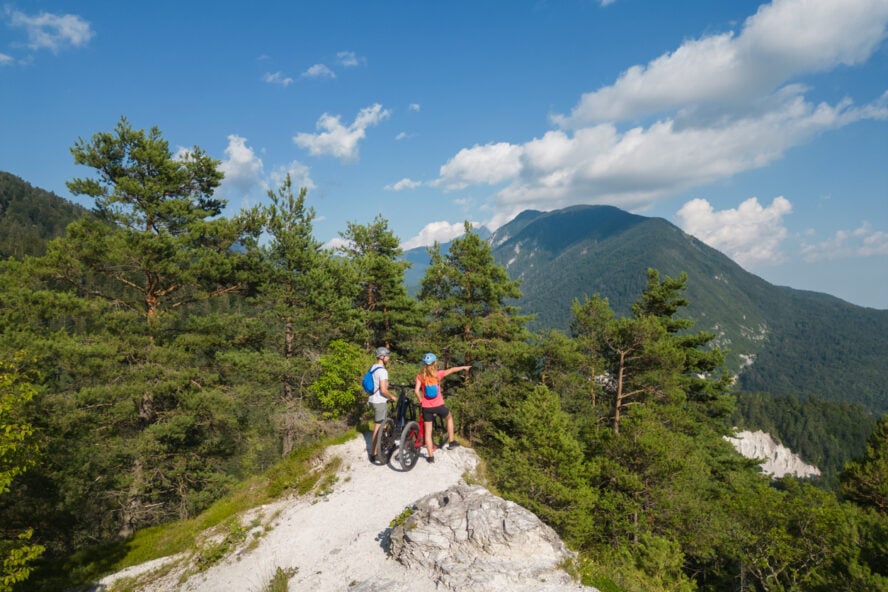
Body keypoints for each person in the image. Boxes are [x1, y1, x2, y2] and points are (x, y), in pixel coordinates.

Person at [414, 352, 470, 463]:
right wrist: (464, 367)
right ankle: (452, 441)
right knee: (449, 418)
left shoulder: (420, 376)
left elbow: (416, 391)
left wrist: (421, 400)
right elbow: (452, 370)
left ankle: (430, 457)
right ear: (434, 363)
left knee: (428, 432)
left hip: (426, 408)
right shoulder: (438, 374)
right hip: (439, 405)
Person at [368, 346, 396, 464]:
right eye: (387, 356)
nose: (389, 358)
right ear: (382, 356)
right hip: (380, 401)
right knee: (378, 427)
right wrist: (392, 396)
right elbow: (384, 390)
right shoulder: (383, 371)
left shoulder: (373, 368)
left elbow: (378, 384)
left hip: (373, 399)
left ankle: (383, 445)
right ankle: (374, 454)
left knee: (382, 425)